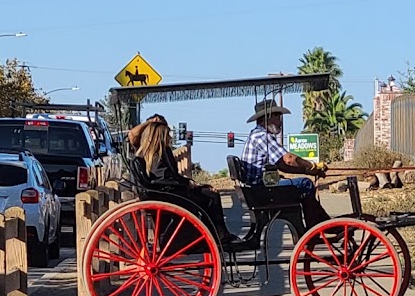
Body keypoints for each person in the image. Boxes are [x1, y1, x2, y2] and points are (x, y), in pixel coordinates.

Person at [128, 115, 239, 244]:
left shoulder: (155, 153)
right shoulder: (157, 155)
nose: (170, 137)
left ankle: (215, 234)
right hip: (167, 194)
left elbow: (168, 177)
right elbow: (165, 178)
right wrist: (188, 183)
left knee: (206, 192)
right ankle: (220, 236)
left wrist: (194, 184)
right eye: (167, 134)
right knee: (210, 196)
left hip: (166, 191)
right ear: (159, 136)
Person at [240, 99, 331, 229]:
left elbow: (282, 165)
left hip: (258, 189)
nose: (280, 120)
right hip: (262, 190)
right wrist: (312, 166)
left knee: (303, 182)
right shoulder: (261, 136)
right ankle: (316, 226)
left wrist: (308, 171)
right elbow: (288, 159)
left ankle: (321, 223)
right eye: (277, 116)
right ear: (267, 118)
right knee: (305, 184)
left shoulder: (257, 135)